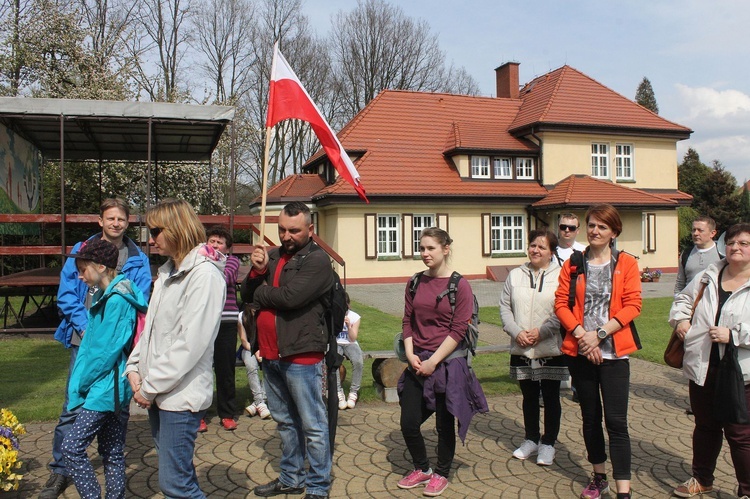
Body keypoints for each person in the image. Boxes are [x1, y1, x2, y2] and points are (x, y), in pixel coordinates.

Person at [40, 198, 152, 499]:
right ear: (100, 220)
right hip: (85, 338)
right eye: (111, 218)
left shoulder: (136, 259)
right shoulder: (81, 251)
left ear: (128, 222)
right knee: (70, 410)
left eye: (121, 219)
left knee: (82, 408)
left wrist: (102, 343)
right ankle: (59, 472)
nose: (116, 223)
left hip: (108, 356)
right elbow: (66, 295)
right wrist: (87, 328)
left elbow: (137, 306)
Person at [125, 199, 226, 498]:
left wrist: (150, 386)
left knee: (175, 485)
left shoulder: (205, 276)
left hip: (180, 398)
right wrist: (134, 366)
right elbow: (151, 329)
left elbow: (190, 344)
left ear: (178, 229)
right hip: (161, 394)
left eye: (156, 230)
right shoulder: (168, 273)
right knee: (178, 478)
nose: (151, 238)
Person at [240, 201, 333, 499]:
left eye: (294, 230)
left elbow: (291, 298)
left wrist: (261, 293)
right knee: (285, 422)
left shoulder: (318, 260)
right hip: (271, 353)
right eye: (281, 229)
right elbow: (245, 294)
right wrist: (256, 274)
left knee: (313, 425)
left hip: (302, 354)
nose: (286, 236)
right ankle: (291, 478)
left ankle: (318, 486)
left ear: (310, 229)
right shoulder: (271, 255)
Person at [555, 204, 642, 499]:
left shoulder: (626, 263)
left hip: (615, 353)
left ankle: (623, 490)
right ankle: (598, 477)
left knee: (616, 422)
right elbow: (560, 305)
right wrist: (582, 337)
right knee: (590, 417)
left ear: (614, 232)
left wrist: (599, 335)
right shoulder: (574, 263)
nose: (595, 231)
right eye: (591, 225)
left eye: (602, 227)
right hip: (580, 352)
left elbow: (633, 305)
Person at [396, 227, 488, 497]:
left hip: (448, 364)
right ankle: (422, 468)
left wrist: (433, 362)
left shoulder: (460, 285)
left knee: (444, 424)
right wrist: (411, 353)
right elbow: (407, 321)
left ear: (445, 249)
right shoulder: (414, 282)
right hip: (418, 361)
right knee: (409, 422)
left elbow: (458, 330)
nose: (424, 253)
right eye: (421, 248)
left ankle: (441, 473)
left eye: (430, 248)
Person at [60, 239, 148, 499]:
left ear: (101, 266)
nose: (79, 275)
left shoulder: (117, 300)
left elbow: (104, 352)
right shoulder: (105, 295)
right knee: (111, 451)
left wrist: (82, 383)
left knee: (72, 447)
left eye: (83, 269)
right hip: (110, 386)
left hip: (105, 387)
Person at [669, 222, 750, 498]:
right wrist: (680, 319)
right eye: (731, 243)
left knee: (740, 435)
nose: (735, 248)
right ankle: (702, 479)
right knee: (705, 427)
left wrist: (736, 335)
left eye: (743, 243)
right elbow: (682, 299)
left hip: (741, 372)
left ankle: (747, 490)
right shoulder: (708, 274)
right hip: (703, 366)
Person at [500, 229, 567, 466]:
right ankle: (530, 439)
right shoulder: (515, 274)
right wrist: (516, 332)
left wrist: (542, 332)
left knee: (550, 397)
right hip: (521, 348)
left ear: (551, 252)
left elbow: (563, 310)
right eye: (532, 245)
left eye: (541, 247)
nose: (535, 250)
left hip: (550, 347)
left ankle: (548, 443)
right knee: (528, 396)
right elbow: (505, 307)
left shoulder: (561, 276)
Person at [199, 226, 241, 432]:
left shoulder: (232, 261)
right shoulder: (198, 260)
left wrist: (208, 263)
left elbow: (226, 279)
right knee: (202, 368)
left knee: (226, 369)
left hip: (226, 321)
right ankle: (199, 413)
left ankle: (227, 413)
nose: (215, 245)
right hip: (204, 321)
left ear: (227, 247)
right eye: (212, 241)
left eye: (219, 242)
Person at [675, 216, 723, 295]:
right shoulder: (686, 254)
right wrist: (677, 302)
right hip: (690, 304)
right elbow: (680, 283)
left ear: (712, 233)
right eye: (694, 230)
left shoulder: (722, 253)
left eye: (700, 230)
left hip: (714, 303)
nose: (695, 233)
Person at [238, 309, 271, 419]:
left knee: (270, 366)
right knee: (251, 366)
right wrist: (255, 350)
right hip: (248, 349)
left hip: (265, 347)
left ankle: (257, 403)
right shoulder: (242, 316)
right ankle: (260, 402)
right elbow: (243, 340)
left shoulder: (266, 313)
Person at [335, 293, 363, 410]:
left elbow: (353, 338)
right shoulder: (333, 315)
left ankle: (353, 392)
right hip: (337, 342)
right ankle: (338, 392)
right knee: (334, 363)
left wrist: (349, 326)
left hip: (350, 343)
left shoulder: (355, 317)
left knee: (358, 362)